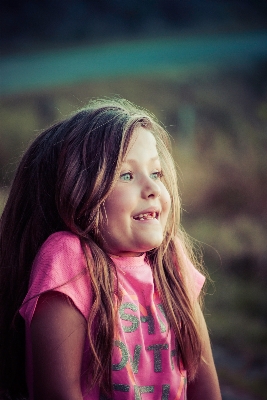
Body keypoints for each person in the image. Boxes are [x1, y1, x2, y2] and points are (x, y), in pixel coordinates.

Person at [0, 98, 221, 400]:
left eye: (156, 173)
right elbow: (59, 392)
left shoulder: (171, 258)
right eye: (126, 175)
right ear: (76, 190)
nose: (153, 188)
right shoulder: (68, 258)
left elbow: (204, 386)